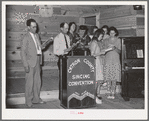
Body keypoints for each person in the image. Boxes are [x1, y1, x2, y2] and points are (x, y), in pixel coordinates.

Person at [20, 19, 48, 107]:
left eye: (36, 26)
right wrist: (25, 64)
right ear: (28, 27)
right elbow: (22, 52)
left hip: (38, 61)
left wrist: (45, 44)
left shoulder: (37, 36)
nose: (35, 28)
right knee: (29, 83)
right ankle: (28, 101)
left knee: (37, 82)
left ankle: (36, 99)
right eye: (33, 27)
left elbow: (39, 48)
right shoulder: (25, 37)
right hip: (30, 63)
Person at [53, 22, 71, 100]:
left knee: (68, 78)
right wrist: (64, 51)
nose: (67, 30)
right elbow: (55, 51)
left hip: (68, 59)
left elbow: (69, 47)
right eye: (66, 28)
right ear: (61, 28)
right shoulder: (57, 38)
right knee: (62, 78)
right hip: (61, 59)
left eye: (68, 28)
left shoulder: (67, 37)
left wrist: (71, 48)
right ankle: (61, 96)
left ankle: (68, 94)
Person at [103, 26, 121, 99]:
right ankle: (108, 91)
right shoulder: (106, 40)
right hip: (108, 59)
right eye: (110, 33)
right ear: (109, 33)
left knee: (114, 76)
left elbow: (120, 51)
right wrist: (107, 49)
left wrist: (114, 48)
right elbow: (103, 50)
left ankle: (113, 92)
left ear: (115, 33)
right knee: (108, 76)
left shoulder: (118, 40)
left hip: (115, 59)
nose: (112, 34)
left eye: (113, 33)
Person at [89, 29, 106, 104]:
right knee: (96, 80)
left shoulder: (97, 42)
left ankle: (95, 96)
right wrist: (101, 53)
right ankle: (94, 96)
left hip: (99, 61)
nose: (102, 37)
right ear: (98, 35)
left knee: (98, 80)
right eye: (101, 36)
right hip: (95, 61)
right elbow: (92, 54)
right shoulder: (94, 43)